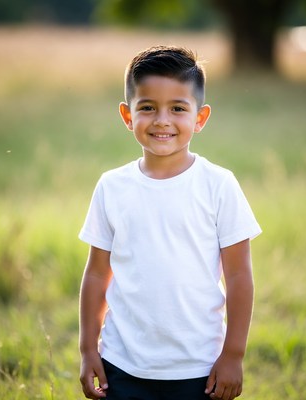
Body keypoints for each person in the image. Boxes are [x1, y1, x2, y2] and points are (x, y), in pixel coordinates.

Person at [78, 45, 261, 400]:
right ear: (127, 116)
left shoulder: (218, 185)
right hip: (122, 363)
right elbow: (97, 273)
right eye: (147, 107)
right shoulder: (112, 187)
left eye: (178, 108)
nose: (162, 120)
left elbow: (239, 275)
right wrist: (88, 350)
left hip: (200, 367)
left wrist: (233, 355)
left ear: (200, 117)